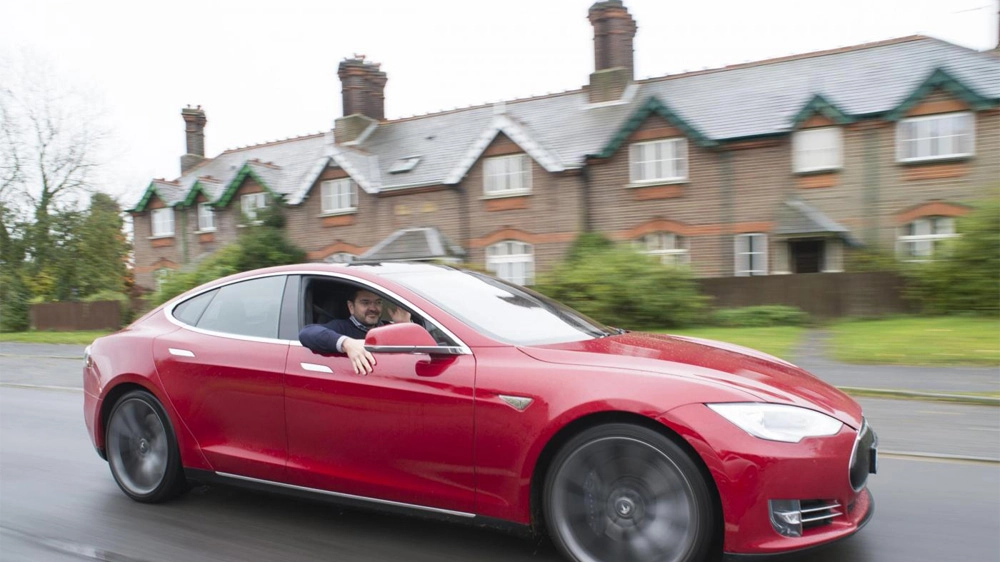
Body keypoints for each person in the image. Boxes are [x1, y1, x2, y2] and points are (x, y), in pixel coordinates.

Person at [299, 288, 410, 375]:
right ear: (351, 307)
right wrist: (347, 344)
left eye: (378, 302)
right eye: (365, 302)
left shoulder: (389, 328)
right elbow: (306, 333)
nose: (373, 308)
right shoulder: (341, 327)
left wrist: (405, 326)